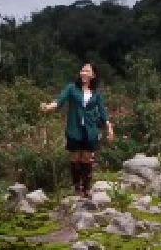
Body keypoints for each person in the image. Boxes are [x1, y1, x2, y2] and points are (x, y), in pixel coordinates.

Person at [40, 63, 114, 198]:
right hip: (74, 129)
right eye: (82, 70)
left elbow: (103, 113)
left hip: (90, 130)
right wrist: (48, 107)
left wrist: (109, 128)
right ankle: (77, 188)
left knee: (87, 158)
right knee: (75, 158)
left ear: (93, 75)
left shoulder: (96, 93)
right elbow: (59, 101)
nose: (83, 73)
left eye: (87, 71)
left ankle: (86, 189)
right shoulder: (72, 88)